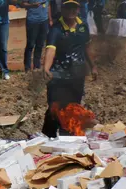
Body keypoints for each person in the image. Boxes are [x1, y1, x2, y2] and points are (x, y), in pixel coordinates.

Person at [41, 0, 96, 137]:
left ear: (78, 9)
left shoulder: (83, 26)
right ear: (62, 9)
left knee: (73, 106)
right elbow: (51, 50)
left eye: (74, 8)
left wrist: (93, 66)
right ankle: (49, 135)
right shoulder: (56, 29)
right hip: (58, 74)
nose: (71, 11)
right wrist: (46, 68)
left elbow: (87, 47)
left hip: (77, 74)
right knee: (55, 107)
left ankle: (68, 136)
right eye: (68, 8)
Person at [20, 0, 50, 72]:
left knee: (40, 44)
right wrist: (32, 6)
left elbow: (49, 5)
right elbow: (22, 4)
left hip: (44, 20)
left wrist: (50, 18)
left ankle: (37, 66)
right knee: (30, 44)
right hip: (32, 20)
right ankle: (27, 67)